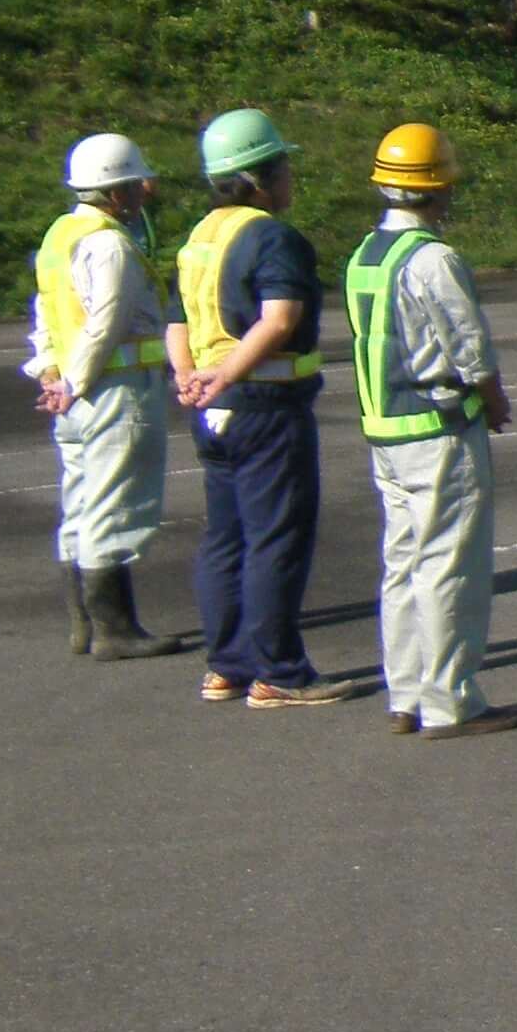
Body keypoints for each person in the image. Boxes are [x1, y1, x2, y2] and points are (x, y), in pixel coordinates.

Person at [346, 125, 517, 735]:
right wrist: (495, 403)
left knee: (402, 564)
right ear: (437, 188)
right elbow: (470, 349)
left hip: (386, 433)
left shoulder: (365, 256)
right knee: (449, 566)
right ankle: (450, 702)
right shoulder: (434, 259)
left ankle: (406, 696)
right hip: (439, 432)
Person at [173, 108, 346, 707]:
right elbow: (280, 320)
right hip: (264, 406)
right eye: (284, 165)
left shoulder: (202, 236)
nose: (290, 177)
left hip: (212, 410)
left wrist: (190, 377)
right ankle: (281, 672)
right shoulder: (271, 236)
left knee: (224, 538)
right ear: (260, 175)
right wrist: (226, 374)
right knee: (276, 538)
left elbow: (178, 321)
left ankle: (226, 666)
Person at [27, 131, 189, 659]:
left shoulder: (60, 236)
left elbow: (46, 314)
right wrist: (73, 384)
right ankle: (115, 630)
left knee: (78, 504)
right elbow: (106, 322)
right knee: (114, 505)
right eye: (135, 185)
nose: (144, 192)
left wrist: (53, 376)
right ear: (115, 193)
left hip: (72, 395)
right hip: (112, 392)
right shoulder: (111, 243)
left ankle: (84, 625)